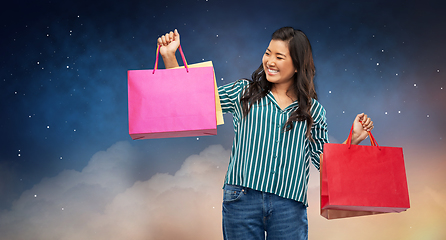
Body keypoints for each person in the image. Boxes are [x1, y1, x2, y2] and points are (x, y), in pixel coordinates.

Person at [157, 27, 374, 240]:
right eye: (268, 53)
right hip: (241, 199)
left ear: (297, 65)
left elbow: (325, 164)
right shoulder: (243, 92)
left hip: (289, 204)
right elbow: (192, 104)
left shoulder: (313, 110)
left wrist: (352, 140)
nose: (270, 61)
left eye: (279, 56)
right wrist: (169, 57)